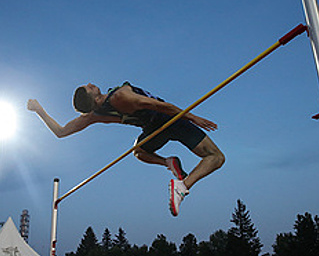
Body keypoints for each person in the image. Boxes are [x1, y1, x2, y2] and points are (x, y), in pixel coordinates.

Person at [28, 81, 225, 217]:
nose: (90, 83)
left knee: (139, 152)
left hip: (152, 130)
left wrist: (39, 111)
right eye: (88, 87)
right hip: (169, 120)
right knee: (216, 157)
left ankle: (168, 162)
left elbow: (61, 132)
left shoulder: (93, 115)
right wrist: (191, 117)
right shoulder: (120, 97)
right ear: (94, 98)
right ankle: (183, 185)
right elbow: (160, 105)